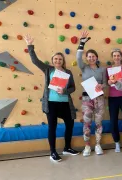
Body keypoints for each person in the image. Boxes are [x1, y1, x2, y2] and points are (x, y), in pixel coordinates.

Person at [24, 34, 79, 162]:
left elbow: (73, 88)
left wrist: (64, 90)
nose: (58, 61)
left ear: (63, 61)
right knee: (52, 127)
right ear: (52, 60)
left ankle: (67, 148)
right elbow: (35, 61)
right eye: (55, 59)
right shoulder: (48, 69)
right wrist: (30, 46)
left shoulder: (68, 72)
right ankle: (53, 152)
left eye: (60, 59)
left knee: (70, 125)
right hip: (51, 103)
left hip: (65, 104)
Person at [76, 31, 107, 156]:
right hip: (86, 99)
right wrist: (81, 43)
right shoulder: (83, 67)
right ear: (87, 58)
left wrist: (102, 85)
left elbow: (106, 83)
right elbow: (78, 57)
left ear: (97, 58)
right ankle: (87, 146)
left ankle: (98, 145)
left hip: (99, 98)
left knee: (99, 123)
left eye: (93, 56)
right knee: (87, 122)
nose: (91, 58)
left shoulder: (103, 69)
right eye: (89, 56)